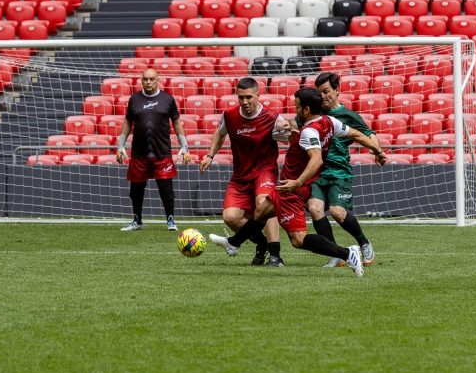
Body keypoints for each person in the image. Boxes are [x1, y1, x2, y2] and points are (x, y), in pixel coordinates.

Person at [209, 87, 387, 277]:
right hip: (297, 185)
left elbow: (316, 159)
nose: (296, 110)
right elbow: (357, 135)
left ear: (307, 109)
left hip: (293, 189)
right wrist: (378, 151)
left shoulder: (309, 132)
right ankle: (234, 243)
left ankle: (347, 253)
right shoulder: (329, 121)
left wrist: (297, 182)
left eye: (297, 107)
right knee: (261, 212)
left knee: (298, 240)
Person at [199, 77, 284, 267]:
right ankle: (261, 244)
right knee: (230, 217)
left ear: (258, 95)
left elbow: (291, 136)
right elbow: (219, 134)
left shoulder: (272, 118)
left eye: (248, 97)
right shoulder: (229, 115)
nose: (245, 102)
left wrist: (287, 128)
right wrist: (210, 155)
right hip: (240, 176)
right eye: (241, 98)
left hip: (265, 171)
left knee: (264, 205)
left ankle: (276, 255)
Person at [308, 72, 382, 269]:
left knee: (337, 212)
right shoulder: (314, 114)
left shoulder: (348, 116)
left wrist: (378, 152)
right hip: (316, 172)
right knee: (315, 209)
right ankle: (335, 254)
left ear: (337, 90)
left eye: (326, 92)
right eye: (319, 93)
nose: (322, 96)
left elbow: (368, 134)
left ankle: (364, 242)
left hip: (339, 172)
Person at [116, 68, 191, 231]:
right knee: (136, 188)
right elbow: (128, 122)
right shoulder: (134, 99)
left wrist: (184, 146)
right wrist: (120, 145)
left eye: (151, 79)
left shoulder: (168, 99)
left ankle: (171, 220)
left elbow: (177, 122)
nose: (148, 82)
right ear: (141, 80)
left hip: (162, 151)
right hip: (139, 152)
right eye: (145, 79)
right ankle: (137, 220)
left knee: (166, 187)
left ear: (158, 80)